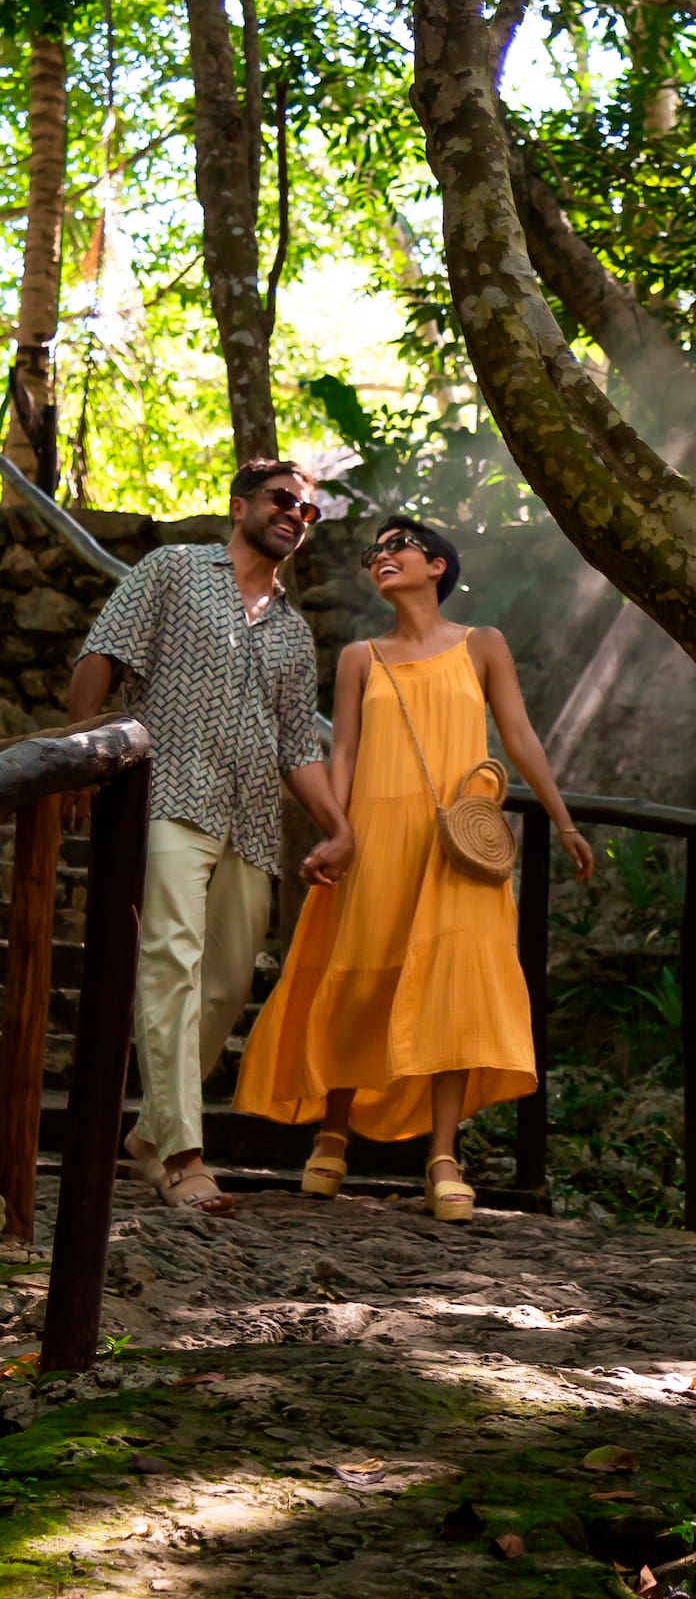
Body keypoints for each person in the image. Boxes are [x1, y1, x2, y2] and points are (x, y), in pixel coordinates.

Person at [234, 516, 591, 1220]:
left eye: (396, 547)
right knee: (359, 972)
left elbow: (517, 734)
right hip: (375, 832)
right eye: (374, 554)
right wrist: (335, 832)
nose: (381, 559)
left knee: (455, 984)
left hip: (457, 842)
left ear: (437, 566)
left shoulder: (482, 645)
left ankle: (443, 1153)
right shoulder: (362, 658)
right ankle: (333, 1134)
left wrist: (563, 818)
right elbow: (341, 755)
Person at [68, 458, 353, 1214]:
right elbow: (101, 654)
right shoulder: (172, 571)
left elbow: (300, 745)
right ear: (239, 505)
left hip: (254, 820)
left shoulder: (295, 634)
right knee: (170, 962)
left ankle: (148, 1134)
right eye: (281, 499)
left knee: (226, 982)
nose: (295, 512)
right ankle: (183, 1156)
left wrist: (339, 826)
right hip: (167, 794)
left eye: (308, 509)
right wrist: (78, 756)